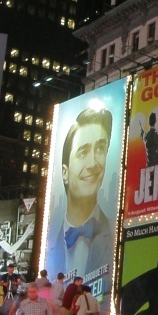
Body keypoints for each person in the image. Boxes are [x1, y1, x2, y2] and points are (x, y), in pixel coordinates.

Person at [44, 104, 116, 283]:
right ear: (65, 172)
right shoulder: (48, 246)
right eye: (83, 152)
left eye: (100, 149)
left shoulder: (117, 237)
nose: (93, 163)